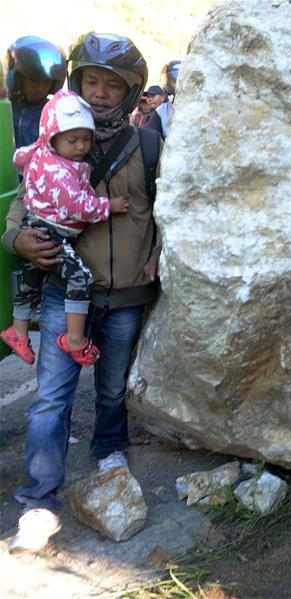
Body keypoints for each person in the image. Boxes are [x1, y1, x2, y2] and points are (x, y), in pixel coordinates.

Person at [2, 32, 162, 555]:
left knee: (113, 387)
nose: (97, 93)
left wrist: (161, 251)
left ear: (130, 90)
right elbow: (21, 209)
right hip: (59, 289)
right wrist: (16, 238)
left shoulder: (149, 143)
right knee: (51, 396)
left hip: (125, 290)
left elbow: (173, 206)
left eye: (110, 85)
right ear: (76, 82)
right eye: (90, 81)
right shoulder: (55, 139)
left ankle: (109, 448)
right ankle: (39, 501)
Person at [1, 90, 129, 367]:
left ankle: (18, 332)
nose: (81, 146)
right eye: (73, 140)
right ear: (51, 136)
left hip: (42, 227)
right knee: (80, 277)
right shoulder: (55, 168)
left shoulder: (50, 157)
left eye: (86, 139)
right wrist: (109, 206)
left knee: (31, 279)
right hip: (53, 232)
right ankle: (73, 340)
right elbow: (77, 206)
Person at [5, 36, 67, 148]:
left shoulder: (53, 113)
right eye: (34, 80)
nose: (40, 88)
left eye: (47, 82)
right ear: (19, 78)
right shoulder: (6, 109)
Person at [146, 60, 180, 139]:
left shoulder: (200, 107)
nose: (180, 84)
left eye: (182, 79)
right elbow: (151, 139)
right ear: (167, 83)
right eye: (175, 81)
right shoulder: (162, 111)